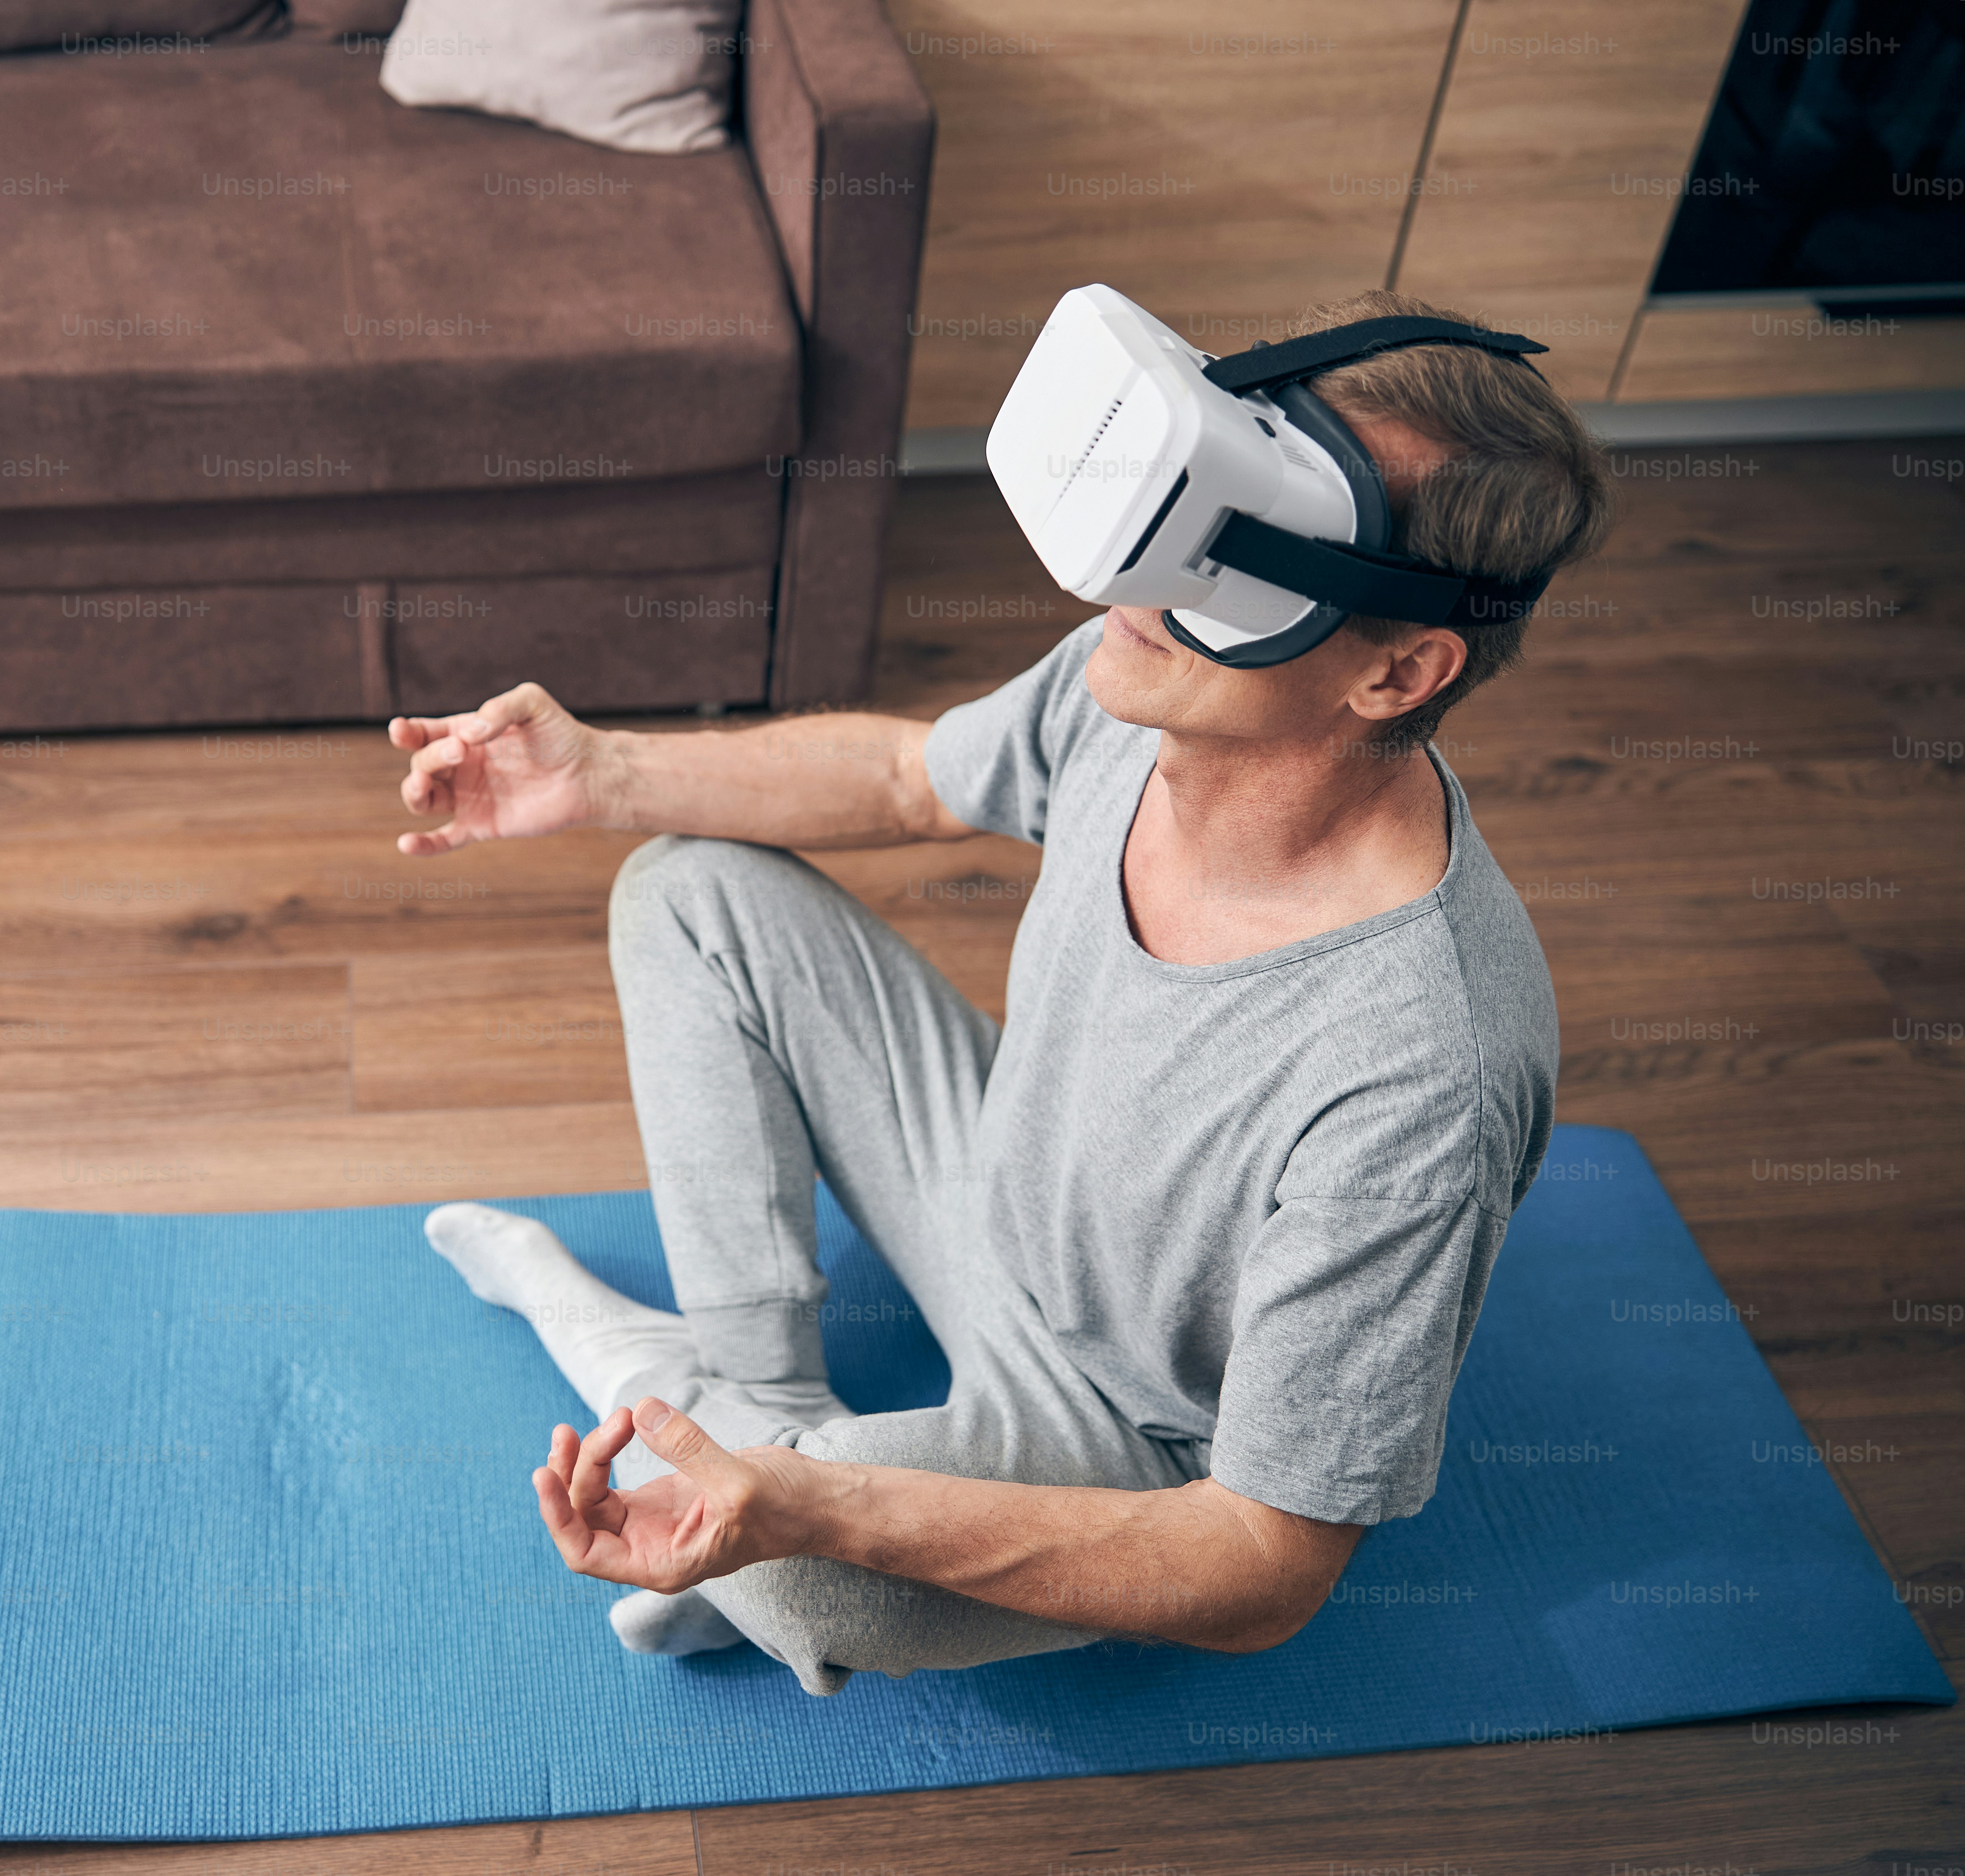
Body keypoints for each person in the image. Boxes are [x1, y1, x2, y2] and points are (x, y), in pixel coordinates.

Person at [389, 290, 1615, 1696]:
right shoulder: (1142, 681)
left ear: (1399, 667)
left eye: (1235, 564)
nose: (1134, 592)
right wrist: (596, 774)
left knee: (790, 1568)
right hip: (1000, 1186)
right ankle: (751, 1410)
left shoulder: (1418, 1065)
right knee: (689, 890)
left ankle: (708, 1449)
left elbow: (1266, 1567)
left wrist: (816, 1513)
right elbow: (909, 775)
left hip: (1130, 1441)